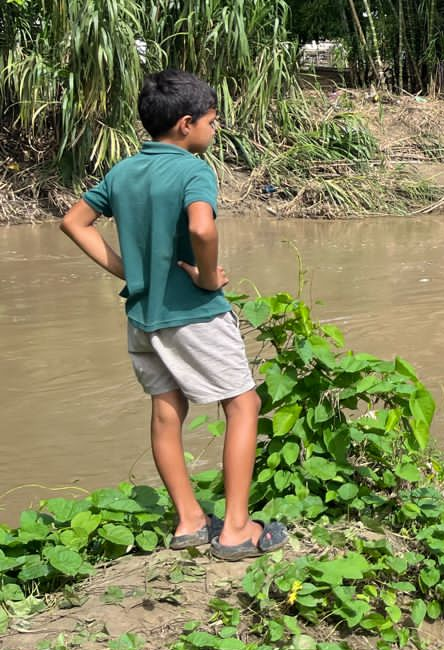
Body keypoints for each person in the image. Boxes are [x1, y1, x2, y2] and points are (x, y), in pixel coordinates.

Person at [58, 69, 286, 561]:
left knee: (167, 410)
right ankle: (236, 530)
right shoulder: (193, 170)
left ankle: (188, 521)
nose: (215, 129)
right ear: (186, 124)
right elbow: (202, 230)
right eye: (212, 120)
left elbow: (73, 222)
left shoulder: (123, 171)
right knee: (242, 405)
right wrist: (206, 278)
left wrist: (129, 271)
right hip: (193, 313)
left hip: (142, 317)